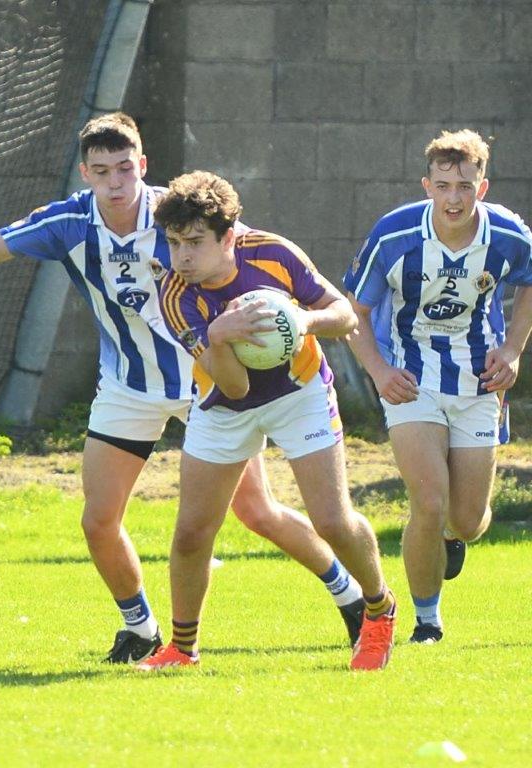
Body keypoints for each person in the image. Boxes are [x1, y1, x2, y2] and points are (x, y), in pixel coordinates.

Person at [0, 113, 368, 664]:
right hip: (127, 387)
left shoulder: (178, 218)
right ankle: (140, 628)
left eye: (124, 169)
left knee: (256, 511)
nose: (115, 183)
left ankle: (351, 598)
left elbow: (238, 252)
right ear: (84, 174)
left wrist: (288, 322)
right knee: (98, 518)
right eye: (101, 171)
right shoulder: (68, 221)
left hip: (203, 380)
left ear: (142, 165)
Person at [140, 170, 397, 672]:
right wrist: (217, 334)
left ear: (229, 237)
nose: (182, 257)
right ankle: (183, 649)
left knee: (333, 521)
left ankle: (379, 609)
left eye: (194, 242)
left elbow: (344, 315)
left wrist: (303, 321)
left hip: (300, 392)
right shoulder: (174, 294)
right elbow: (234, 387)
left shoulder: (274, 253)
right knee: (192, 533)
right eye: (173, 243)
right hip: (225, 405)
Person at [343, 129, 532, 644]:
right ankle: (427, 620)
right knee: (427, 502)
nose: (454, 197)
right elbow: (353, 311)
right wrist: (381, 373)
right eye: (444, 185)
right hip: (413, 382)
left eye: (465, 186)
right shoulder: (394, 234)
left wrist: (513, 351)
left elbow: (529, 284)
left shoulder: (510, 235)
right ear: (427, 185)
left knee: (468, 520)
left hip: (479, 385)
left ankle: (454, 534)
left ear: (483, 187)